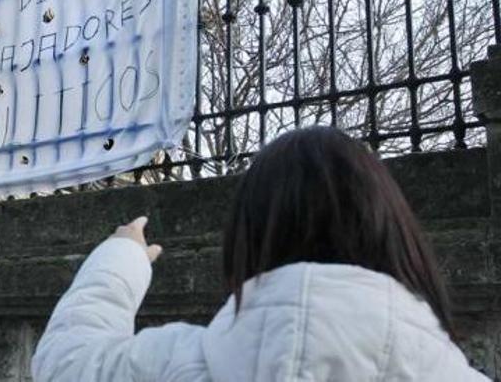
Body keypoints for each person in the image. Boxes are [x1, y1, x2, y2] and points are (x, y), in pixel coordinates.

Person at [31, 126, 489, 381]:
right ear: (396, 236)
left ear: (246, 240)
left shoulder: (175, 365)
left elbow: (66, 361)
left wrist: (121, 256)